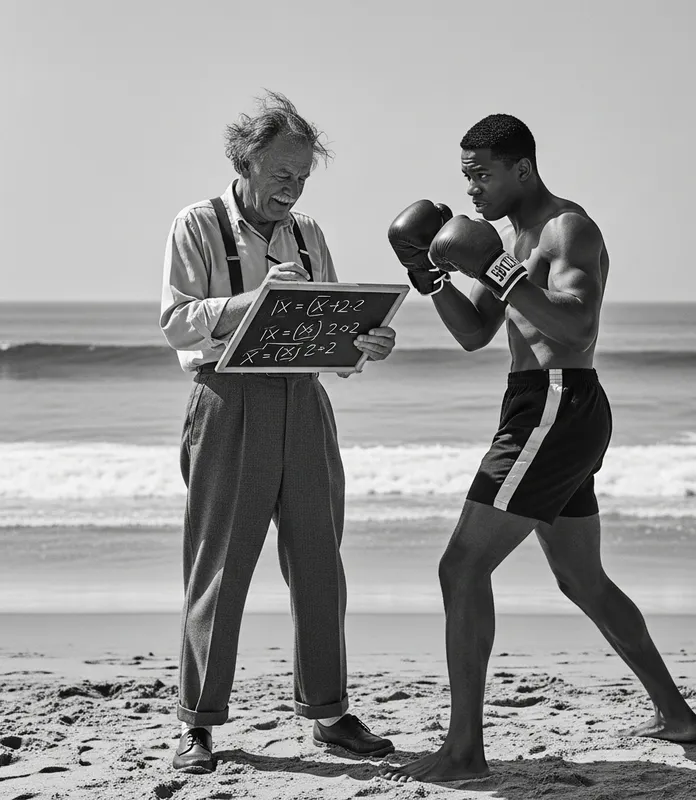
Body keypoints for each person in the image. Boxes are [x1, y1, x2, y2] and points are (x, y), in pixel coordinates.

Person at [383, 114, 696, 783]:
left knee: (461, 568)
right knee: (580, 578)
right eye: (465, 175)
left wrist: (499, 267)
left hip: (557, 402)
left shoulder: (567, 228)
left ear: (521, 168)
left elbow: (577, 322)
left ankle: (465, 753)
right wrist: (429, 276)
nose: (470, 189)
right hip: (549, 406)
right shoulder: (514, 238)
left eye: (481, 174)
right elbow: (475, 332)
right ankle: (679, 716)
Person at [160, 91, 396, 774]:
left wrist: (363, 344)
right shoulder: (197, 225)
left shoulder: (309, 234)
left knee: (321, 563)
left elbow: (322, 334)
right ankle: (198, 724)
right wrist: (254, 302)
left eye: (302, 176)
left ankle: (328, 712)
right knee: (219, 568)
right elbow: (177, 322)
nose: (292, 188)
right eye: (281, 174)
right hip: (228, 401)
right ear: (245, 162)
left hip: (306, 400)